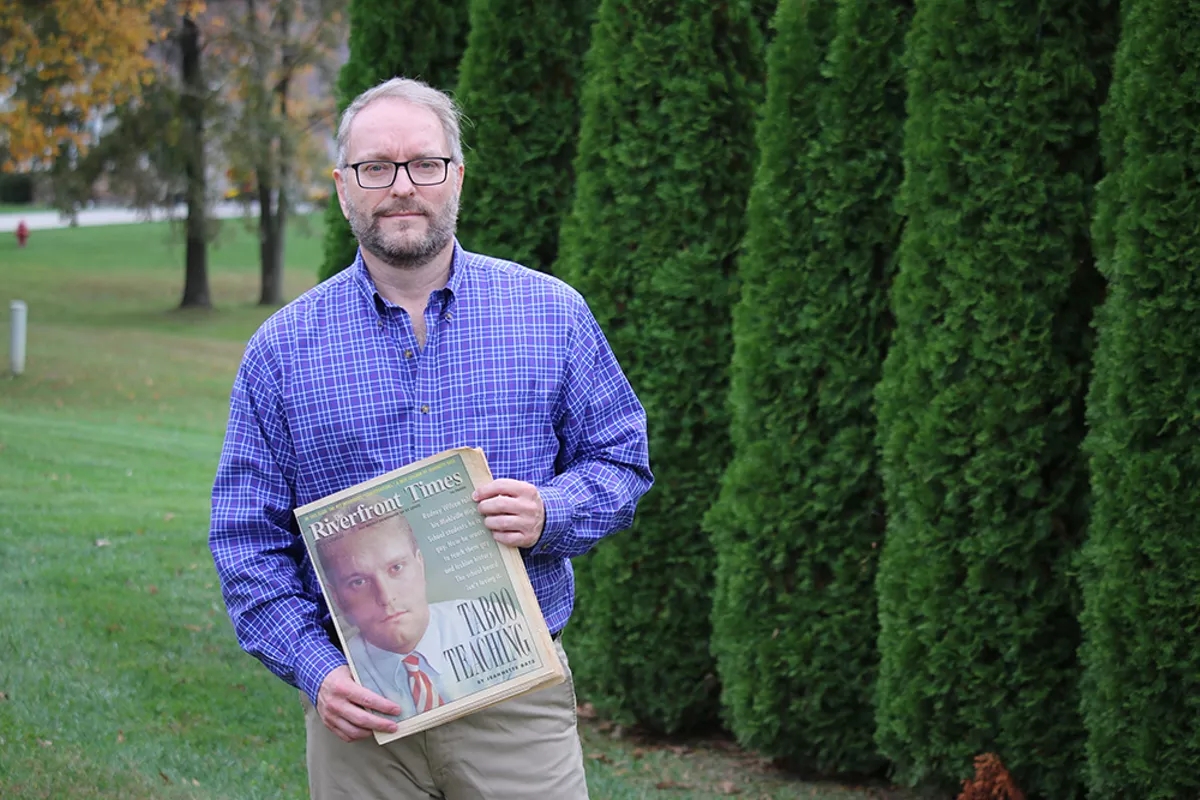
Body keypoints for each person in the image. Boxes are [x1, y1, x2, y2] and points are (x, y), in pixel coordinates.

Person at [209, 75, 653, 800]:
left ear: (457, 176)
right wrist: (314, 668)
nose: (402, 186)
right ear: (344, 186)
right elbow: (245, 541)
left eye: (424, 163)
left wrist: (552, 512)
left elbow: (622, 459)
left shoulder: (551, 314)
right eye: (376, 168)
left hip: (517, 704)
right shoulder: (280, 352)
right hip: (362, 718)